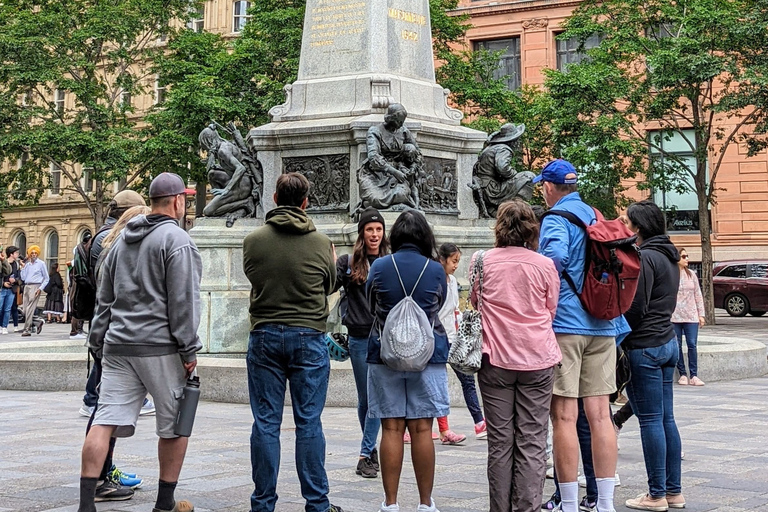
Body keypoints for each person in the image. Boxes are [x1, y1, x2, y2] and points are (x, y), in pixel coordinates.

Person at [78, 172, 202, 512]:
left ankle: (86, 504)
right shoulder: (177, 240)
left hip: (118, 345)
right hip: (159, 348)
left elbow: (104, 299)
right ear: (178, 201)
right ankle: (164, 504)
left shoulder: (119, 243)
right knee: (175, 425)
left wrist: (98, 343)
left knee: (103, 420)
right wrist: (188, 349)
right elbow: (184, 302)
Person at [243, 172, 343, 512]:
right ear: (306, 202)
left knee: (266, 422)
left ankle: (263, 503)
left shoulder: (253, 240)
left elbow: (254, 277)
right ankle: (317, 503)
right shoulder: (321, 243)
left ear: (274, 198)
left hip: (265, 335)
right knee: (309, 422)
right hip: (309, 337)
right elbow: (330, 285)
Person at [535, 159, 623, 512]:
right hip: (603, 324)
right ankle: (605, 503)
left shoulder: (556, 218)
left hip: (567, 325)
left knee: (565, 417)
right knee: (601, 415)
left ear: (549, 187)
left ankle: (569, 502)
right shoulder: (594, 215)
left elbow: (552, 257)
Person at [470, 200, 561, 512]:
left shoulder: (480, 261)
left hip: (494, 360)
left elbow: (475, 301)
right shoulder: (545, 265)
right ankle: (527, 507)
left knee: (499, 442)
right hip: (538, 358)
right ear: (531, 229)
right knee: (533, 441)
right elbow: (551, 310)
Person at [366, 210, 449, 512]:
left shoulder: (380, 266)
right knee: (422, 429)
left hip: (385, 354)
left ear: (395, 236)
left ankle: (391, 503)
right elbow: (437, 304)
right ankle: (425, 503)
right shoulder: (436, 269)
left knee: (391, 428)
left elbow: (371, 303)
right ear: (425, 236)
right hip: (427, 356)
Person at [622, 201, 684, 511]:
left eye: (627, 221)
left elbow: (635, 307)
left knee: (650, 422)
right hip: (667, 342)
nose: (624, 226)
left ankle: (656, 494)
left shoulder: (645, 257)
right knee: (666, 419)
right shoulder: (670, 255)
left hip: (644, 346)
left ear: (638, 228)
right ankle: (673, 491)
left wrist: (619, 335)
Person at [79, 190, 153, 418]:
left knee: (106, 363)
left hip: (106, 311)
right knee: (107, 364)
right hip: (109, 311)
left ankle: (94, 400)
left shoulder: (108, 234)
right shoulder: (110, 237)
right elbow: (108, 280)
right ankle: (94, 400)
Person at [334, 207, 388, 479]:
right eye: (370, 229)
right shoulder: (348, 262)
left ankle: (365, 454)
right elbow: (328, 286)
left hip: (382, 338)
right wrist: (329, 264)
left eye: (378, 229)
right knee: (365, 400)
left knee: (376, 397)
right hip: (357, 337)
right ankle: (370, 449)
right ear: (362, 232)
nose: (374, 234)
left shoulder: (390, 261)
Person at [437, 243, 483, 442]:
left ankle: (479, 421)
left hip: (453, 337)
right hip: (438, 337)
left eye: (457, 261)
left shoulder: (453, 280)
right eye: (453, 261)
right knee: (438, 383)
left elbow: (454, 308)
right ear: (443, 259)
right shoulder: (435, 280)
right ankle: (443, 428)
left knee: (467, 379)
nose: (456, 265)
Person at [671, 248, 706, 386]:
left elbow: (698, 294)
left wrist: (701, 315)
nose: (687, 259)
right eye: (683, 256)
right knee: (677, 345)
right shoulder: (671, 275)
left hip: (691, 316)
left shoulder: (692, 274)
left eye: (687, 256)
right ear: (677, 258)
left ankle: (694, 374)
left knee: (692, 344)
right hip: (675, 316)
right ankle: (682, 374)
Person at [19, 245, 49, 337]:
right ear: (29, 254)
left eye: (35, 253)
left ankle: (26, 329)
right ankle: (37, 321)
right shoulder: (27, 265)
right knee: (24, 310)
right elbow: (23, 278)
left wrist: (40, 288)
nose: (34, 255)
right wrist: (23, 268)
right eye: (32, 253)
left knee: (29, 309)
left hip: (36, 286)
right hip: (27, 286)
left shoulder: (41, 264)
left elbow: (46, 278)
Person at [1, 246, 21, 334]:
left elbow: (20, 277)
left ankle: (4, 326)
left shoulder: (16, 264)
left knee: (7, 309)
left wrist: (15, 280)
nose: (18, 255)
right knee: (0, 308)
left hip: (12, 289)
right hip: (2, 289)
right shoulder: (2, 263)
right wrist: (3, 283)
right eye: (16, 253)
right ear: (11, 254)